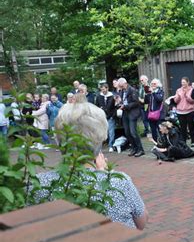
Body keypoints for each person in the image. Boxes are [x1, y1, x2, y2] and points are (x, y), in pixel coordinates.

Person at [34, 93, 148, 230]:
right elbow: (142, 222)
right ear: (99, 138)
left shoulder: (38, 184)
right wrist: (106, 176)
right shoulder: (119, 182)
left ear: (58, 140)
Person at [118, 78, 145, 157]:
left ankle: (140, 149)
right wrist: (119, 102)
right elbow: (123, 100)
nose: (121, 87)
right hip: (125, 113)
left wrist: (126, 106)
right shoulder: (122, 91)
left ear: (125, 83)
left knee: (133, 132)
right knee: (127, 132)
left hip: (132, 113)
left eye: (121, 86)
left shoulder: (132, 90)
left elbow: (136, 102)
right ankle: (134, 148)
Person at [173, 77, 194, 147]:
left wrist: (187, 97)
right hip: (180, 112)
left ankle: (193, 141)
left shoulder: (191, 89)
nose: (183, 83)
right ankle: (184, 142)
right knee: (183, 128)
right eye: (182, 82)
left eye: (184, 82)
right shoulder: (178, 90)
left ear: (187, 82)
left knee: (191, 127)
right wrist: (178, 97)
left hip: (190, 111)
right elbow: (175, 101)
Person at [96, 83, 116, 152]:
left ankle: (111, 145)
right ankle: (100, 147)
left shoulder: (112, 96)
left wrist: (113, 115)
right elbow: (97, 106)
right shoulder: (99, 96)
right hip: (102, 117)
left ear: (107, 88)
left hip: (110, 116)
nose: (103, 91)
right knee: (102, 132)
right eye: (102, 89)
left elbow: (114, 107)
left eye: (104, 89)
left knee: (111, 132)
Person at [144, 78, 165, 144]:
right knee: (153, 130)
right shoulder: (150, 92)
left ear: (158, 85)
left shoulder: (160, 91)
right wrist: (147, 94)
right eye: (152, 84)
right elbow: (146, 102)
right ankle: (156, 143)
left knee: (160, 129)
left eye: (154, 84)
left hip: (159, 115)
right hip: (151, 114)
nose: (153, 85)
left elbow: (159, 99)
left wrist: (153, 93)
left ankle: (163, 143)